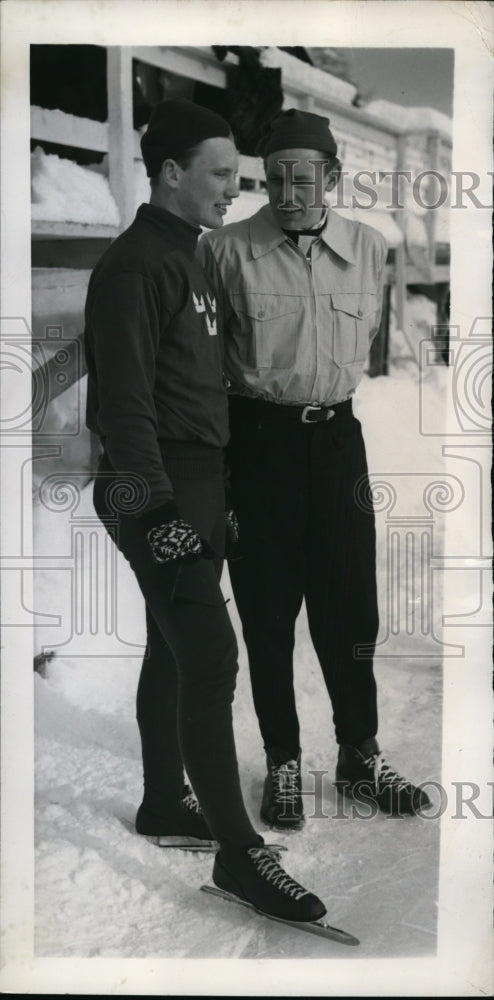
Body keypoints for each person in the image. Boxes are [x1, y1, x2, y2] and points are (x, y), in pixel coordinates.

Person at [84, 98, 326, 924]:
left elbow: (193, 388)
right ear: (172, 172)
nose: (235, 189)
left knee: (174, 644)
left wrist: (212, 496)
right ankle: (238, 854)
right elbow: (122, 406)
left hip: (196, 480)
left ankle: (162, 800)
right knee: (212, 653)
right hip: (148, 484)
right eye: (221, 173)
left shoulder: (190, 258)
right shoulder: (135, 266)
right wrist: (158, 513)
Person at [199, 108, 432, 829]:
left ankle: (361, 759)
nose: (289, 192)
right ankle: (284, 766)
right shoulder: (224, 252)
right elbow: (203, 366)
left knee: (351, 608)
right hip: (259, 445)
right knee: (269, 615)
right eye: (275, 179)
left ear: (331, 177)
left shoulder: (369, 248)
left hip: (337, 443)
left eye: (303, 178)